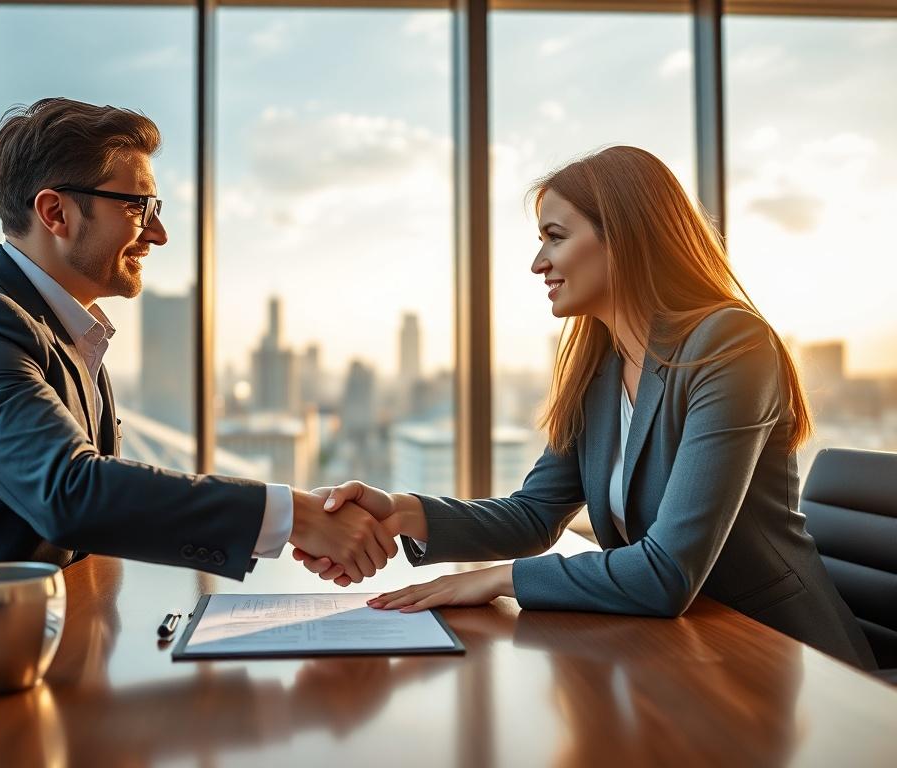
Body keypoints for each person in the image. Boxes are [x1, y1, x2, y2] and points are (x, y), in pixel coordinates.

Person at [296, 145, 877, 670]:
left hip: (784, 665)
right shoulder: (598, 368)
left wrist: (497, 581)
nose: (537, 264)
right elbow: (533, 515)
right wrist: (400, 513)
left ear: (623, 237)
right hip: (680, 654)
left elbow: (665, 574)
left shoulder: (729, 345)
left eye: (554, 236)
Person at [0, 98, 396, 661]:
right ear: (56, 213)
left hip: (49, 636)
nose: (160, 233)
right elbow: (71, 492)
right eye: (139, 207)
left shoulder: (67, 329)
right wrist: (291, 516)